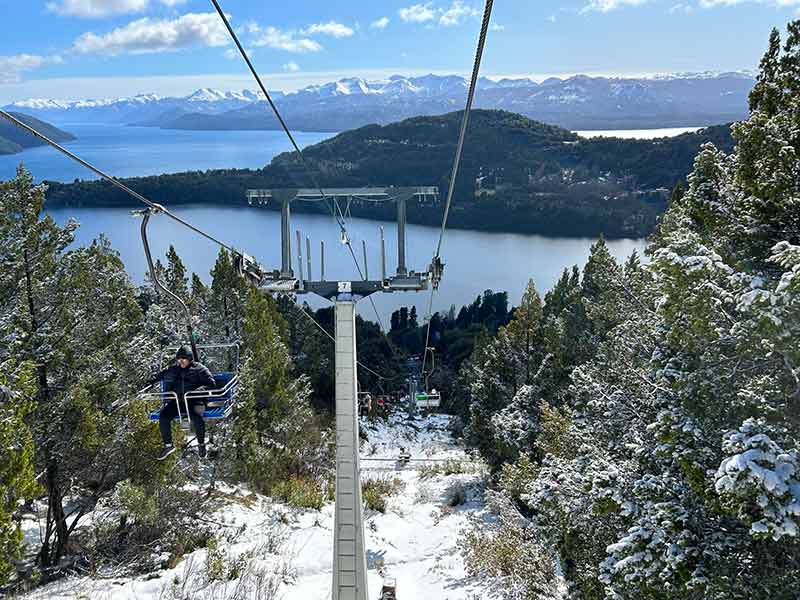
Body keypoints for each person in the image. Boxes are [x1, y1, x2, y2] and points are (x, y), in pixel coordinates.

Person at [150, 345, 216, 460]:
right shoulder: (174, 369)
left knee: (195, 416)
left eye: (183, 359)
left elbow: (211, 384)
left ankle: (201, 444)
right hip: (178, 401)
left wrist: (198, 391)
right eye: (179, 359)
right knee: (164, 416)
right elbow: (162, 375)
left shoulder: (199, 369)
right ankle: (168, 445)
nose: (180, 362)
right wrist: (150, 382)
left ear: (189, 359)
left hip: (195, 400)